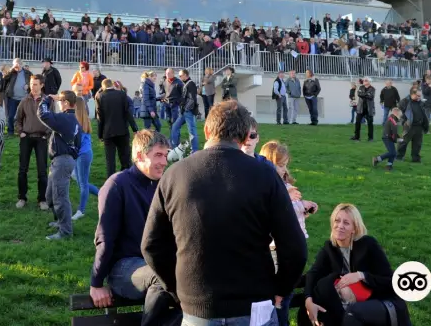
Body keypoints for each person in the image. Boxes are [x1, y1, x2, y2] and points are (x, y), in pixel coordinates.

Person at [142, 100, 308, 325]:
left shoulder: (174, 175)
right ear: (243, 136)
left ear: (207, 130)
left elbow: (152, 245)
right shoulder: (265, 176)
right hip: (253, 303)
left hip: (198, 306)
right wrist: (282, 288)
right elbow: (295, 247)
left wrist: (176, 288)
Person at [89, 130, 177, 326]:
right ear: (139, 156)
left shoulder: (164, 185)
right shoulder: (117, 185)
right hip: (123, 269)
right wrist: (96, 283)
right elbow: (105, 238)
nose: (164, 161)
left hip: (157, 264)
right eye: (158, 155)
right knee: (162, 277)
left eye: (166, 155)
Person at [300, 204, 411, 326]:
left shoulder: (368, 244)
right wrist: (308, 300)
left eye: (346, 223)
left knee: (353, 313)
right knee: (309, 311)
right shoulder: (330, 248)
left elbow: (391, 281)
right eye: (337, 221)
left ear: (354, 228)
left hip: (382, 301)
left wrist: (361, 275)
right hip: (348, 301)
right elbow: (313, 273)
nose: (340, 226)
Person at [259, 141, 318, 326]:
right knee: (280, 297)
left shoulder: (284, 185)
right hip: (278, 248)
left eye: (286, 165)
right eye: (280, 165)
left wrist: (305, 209)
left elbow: (291, 215)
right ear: (268, 163)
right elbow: (278, 215)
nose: (284, 169)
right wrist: (298, 204)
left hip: (292, 244)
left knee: (286, 291)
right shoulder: (271, 187)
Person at [37, 91, 82, 240]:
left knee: (60, 197)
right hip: (62, 160)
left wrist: (47, 99)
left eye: (60, 101)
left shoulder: (66, 118)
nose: (58, 103)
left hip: (62, 161)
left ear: (66, 103)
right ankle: (60, 221)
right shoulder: (72, 119)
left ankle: (65, 232)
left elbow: (43, 114)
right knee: (50, 196)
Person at [15, 75, 50, 210]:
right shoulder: (24, 101)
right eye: (31, 84)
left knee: (42, 170)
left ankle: (42, 199)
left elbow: (52, 119)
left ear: (41, 85)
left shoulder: (47, 101)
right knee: (22, 169)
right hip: (26, 138)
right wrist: (21, 132)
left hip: (41, 138)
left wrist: (46, 134)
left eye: (35, 84)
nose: (32, 87)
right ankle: (22, 197)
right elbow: (17, 119)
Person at [71, 83, 99, 220]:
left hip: (83, 155)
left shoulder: (80, 123)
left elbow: (78, 142)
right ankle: (103, 195)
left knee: (82, 184)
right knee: (82, 182)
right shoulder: (80, 120)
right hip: (81, 154)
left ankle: (81, 210)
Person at [97, 79, 136, 176]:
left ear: (103, 87)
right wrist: (135, 128)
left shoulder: (100, 96)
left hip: (108, 132)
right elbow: (128, 113)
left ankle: (111, 180)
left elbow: (100, 118)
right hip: (122, 130)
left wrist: (100, 134)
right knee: (125, 157)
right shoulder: (122, 95)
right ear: (112, 85)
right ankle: (127, 178)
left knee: (110, 160)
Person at [170, 69, 199, 151]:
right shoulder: (186, 84)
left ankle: (194, 151)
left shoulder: (191, 84)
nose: (179, 77)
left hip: (188, 112)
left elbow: (192, 99)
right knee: (175, 127)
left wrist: (186, 109)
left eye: (181, 75)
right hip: (184, 112)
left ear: (186, 75)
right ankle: (175, 148)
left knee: (192, 132)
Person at [1, 58, 31, 135]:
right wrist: (11, 70)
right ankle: (10, 131)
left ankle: (22, 131)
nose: (16, 65)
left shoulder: (27, 73)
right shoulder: (11, 73)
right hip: (12, 98)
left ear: (21, 64)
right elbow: (4, 79)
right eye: (14, 64)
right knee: (10, 116)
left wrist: (28, 86)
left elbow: (33, 82)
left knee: (23, 116)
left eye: (17, 64)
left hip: (24, 98)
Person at [396, 89, 427, 163]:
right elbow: (399, 112)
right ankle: (399, 157)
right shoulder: (405, 101)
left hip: (419, 126)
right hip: (409, 125)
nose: (419, 97)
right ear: (412, 94)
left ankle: (416, 158)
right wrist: (404, 120)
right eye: (418, 95)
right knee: (404, 142)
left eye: (420, 96)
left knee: (417, 143)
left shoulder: (421, 103)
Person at [372, 107, 403, 172]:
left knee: (393, 153)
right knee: (392, 152)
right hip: (387, 138)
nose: (401, 116)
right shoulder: (393, 120)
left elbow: (394, 132)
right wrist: (397, 140)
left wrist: (399, 137)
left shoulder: (392, 119)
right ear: (396, 114)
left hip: (388, 137)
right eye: (400, 115)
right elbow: (394, 132)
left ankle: (389, 166)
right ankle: (377, 159)